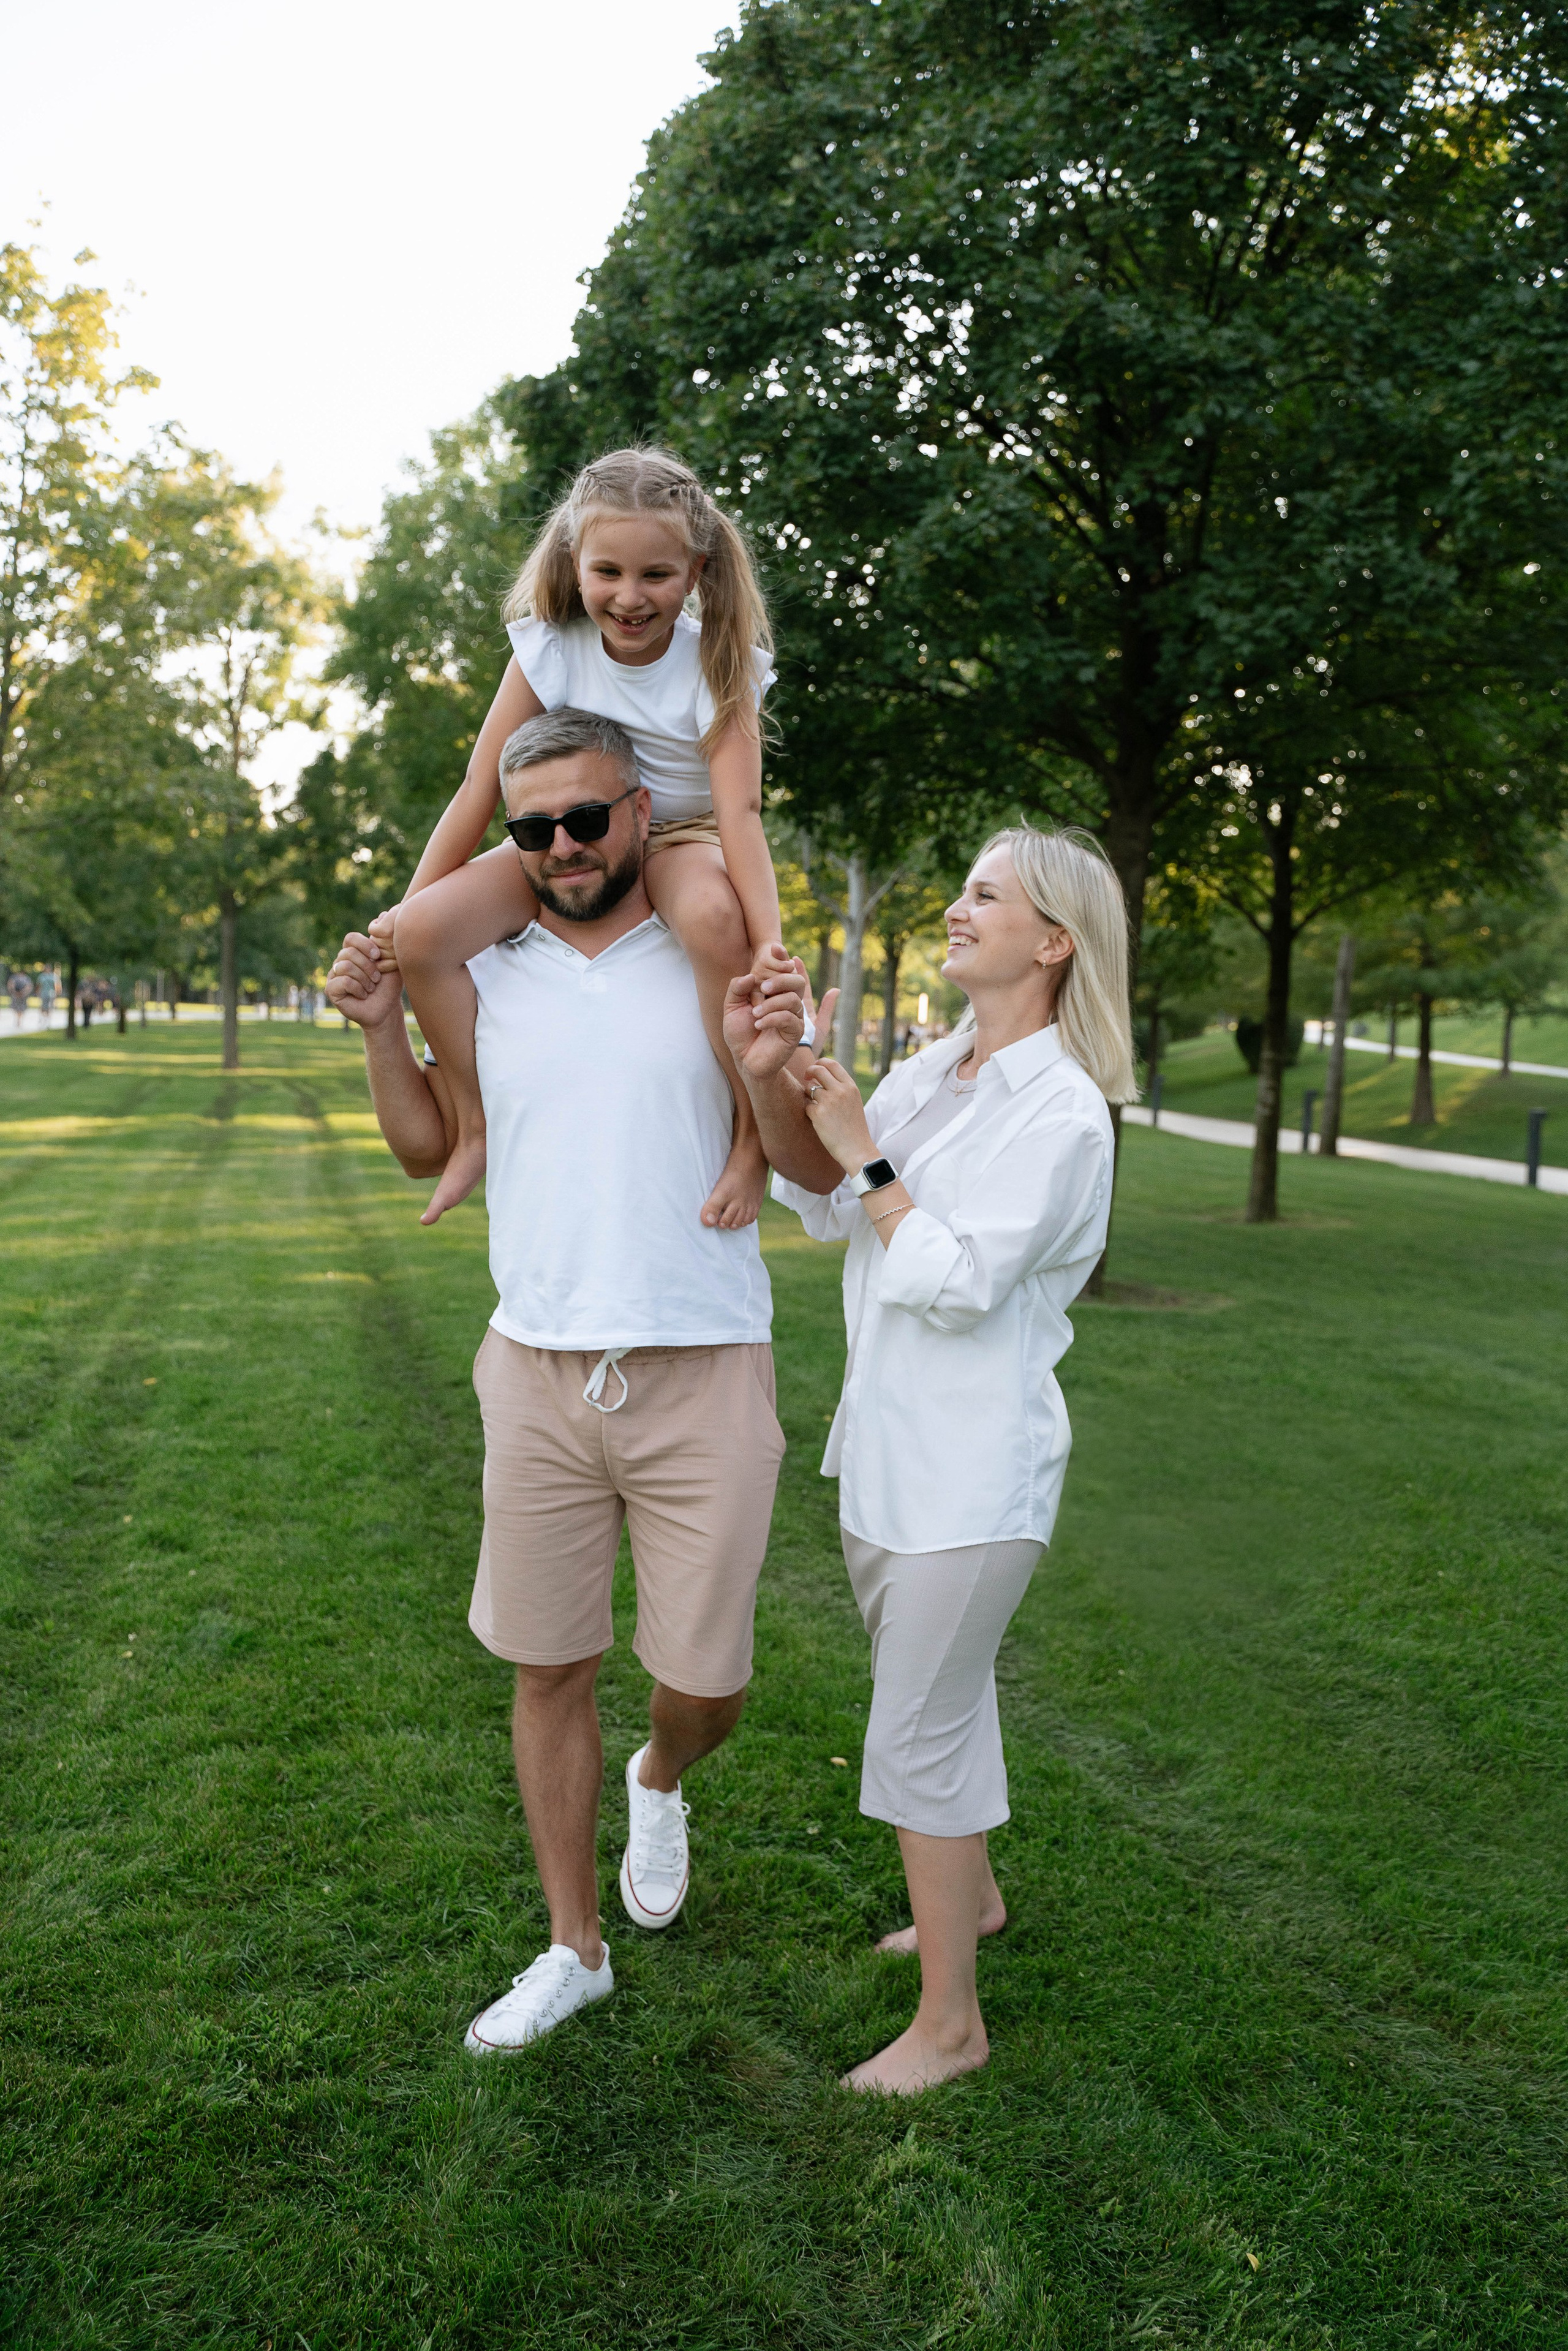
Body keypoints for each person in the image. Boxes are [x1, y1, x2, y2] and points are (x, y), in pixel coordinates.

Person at [325, 706, 789, 2058]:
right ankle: (571, 1944)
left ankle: (662, 1771)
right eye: (531, 827)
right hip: (533, 1367)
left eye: (587, 817)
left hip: (701, 1363)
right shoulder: (487, 968)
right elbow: (431, 1144)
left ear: (639, 809)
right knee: (548, 1665)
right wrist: (374, 1031)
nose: (563, 844)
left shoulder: (707, 945)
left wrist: (768, 1089)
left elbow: (798, 1151)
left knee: (705, 1684)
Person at [725, 823, 1136, 2096]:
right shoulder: (938, 1066)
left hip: (973, 1475)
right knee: (945, 1704)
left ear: (1051, 940)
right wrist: (789, 1079)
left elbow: (953, 1281)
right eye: (958, 887)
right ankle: (978, 1895)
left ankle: (950, 2025)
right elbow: (824, 1205)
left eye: (981, 894)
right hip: (889, 1454)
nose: (955, 908)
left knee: (913, 1727)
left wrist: (865, 1150)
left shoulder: (1061, 1112)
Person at [373, 445, 790, 1234]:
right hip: (567, 828)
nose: (629, 598)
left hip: (682, 834)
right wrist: (407, 907)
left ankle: (748, 1141)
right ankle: (475, 1126)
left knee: (709, 919)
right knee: (425, 934)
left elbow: (741, 815)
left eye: (655, 576)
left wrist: (767, 946)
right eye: (608, 572)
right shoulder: (550, 647)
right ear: (576, 561)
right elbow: (478, 787)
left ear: (696, 572)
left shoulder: (719, 664)